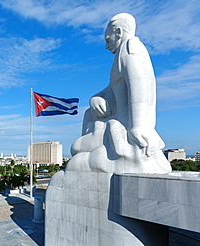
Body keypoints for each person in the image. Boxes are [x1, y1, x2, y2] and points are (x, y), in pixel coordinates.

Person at [67, 13, 171, 173]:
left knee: (76, 149)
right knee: (87, 120)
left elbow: (140, 86)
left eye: (108, 40)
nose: (106, 46)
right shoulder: (124, 52)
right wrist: (95, 99)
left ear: (119, 32)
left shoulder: (131, 49)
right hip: (116, 122)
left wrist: (138, 126)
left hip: (122, 127)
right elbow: (111, 89)